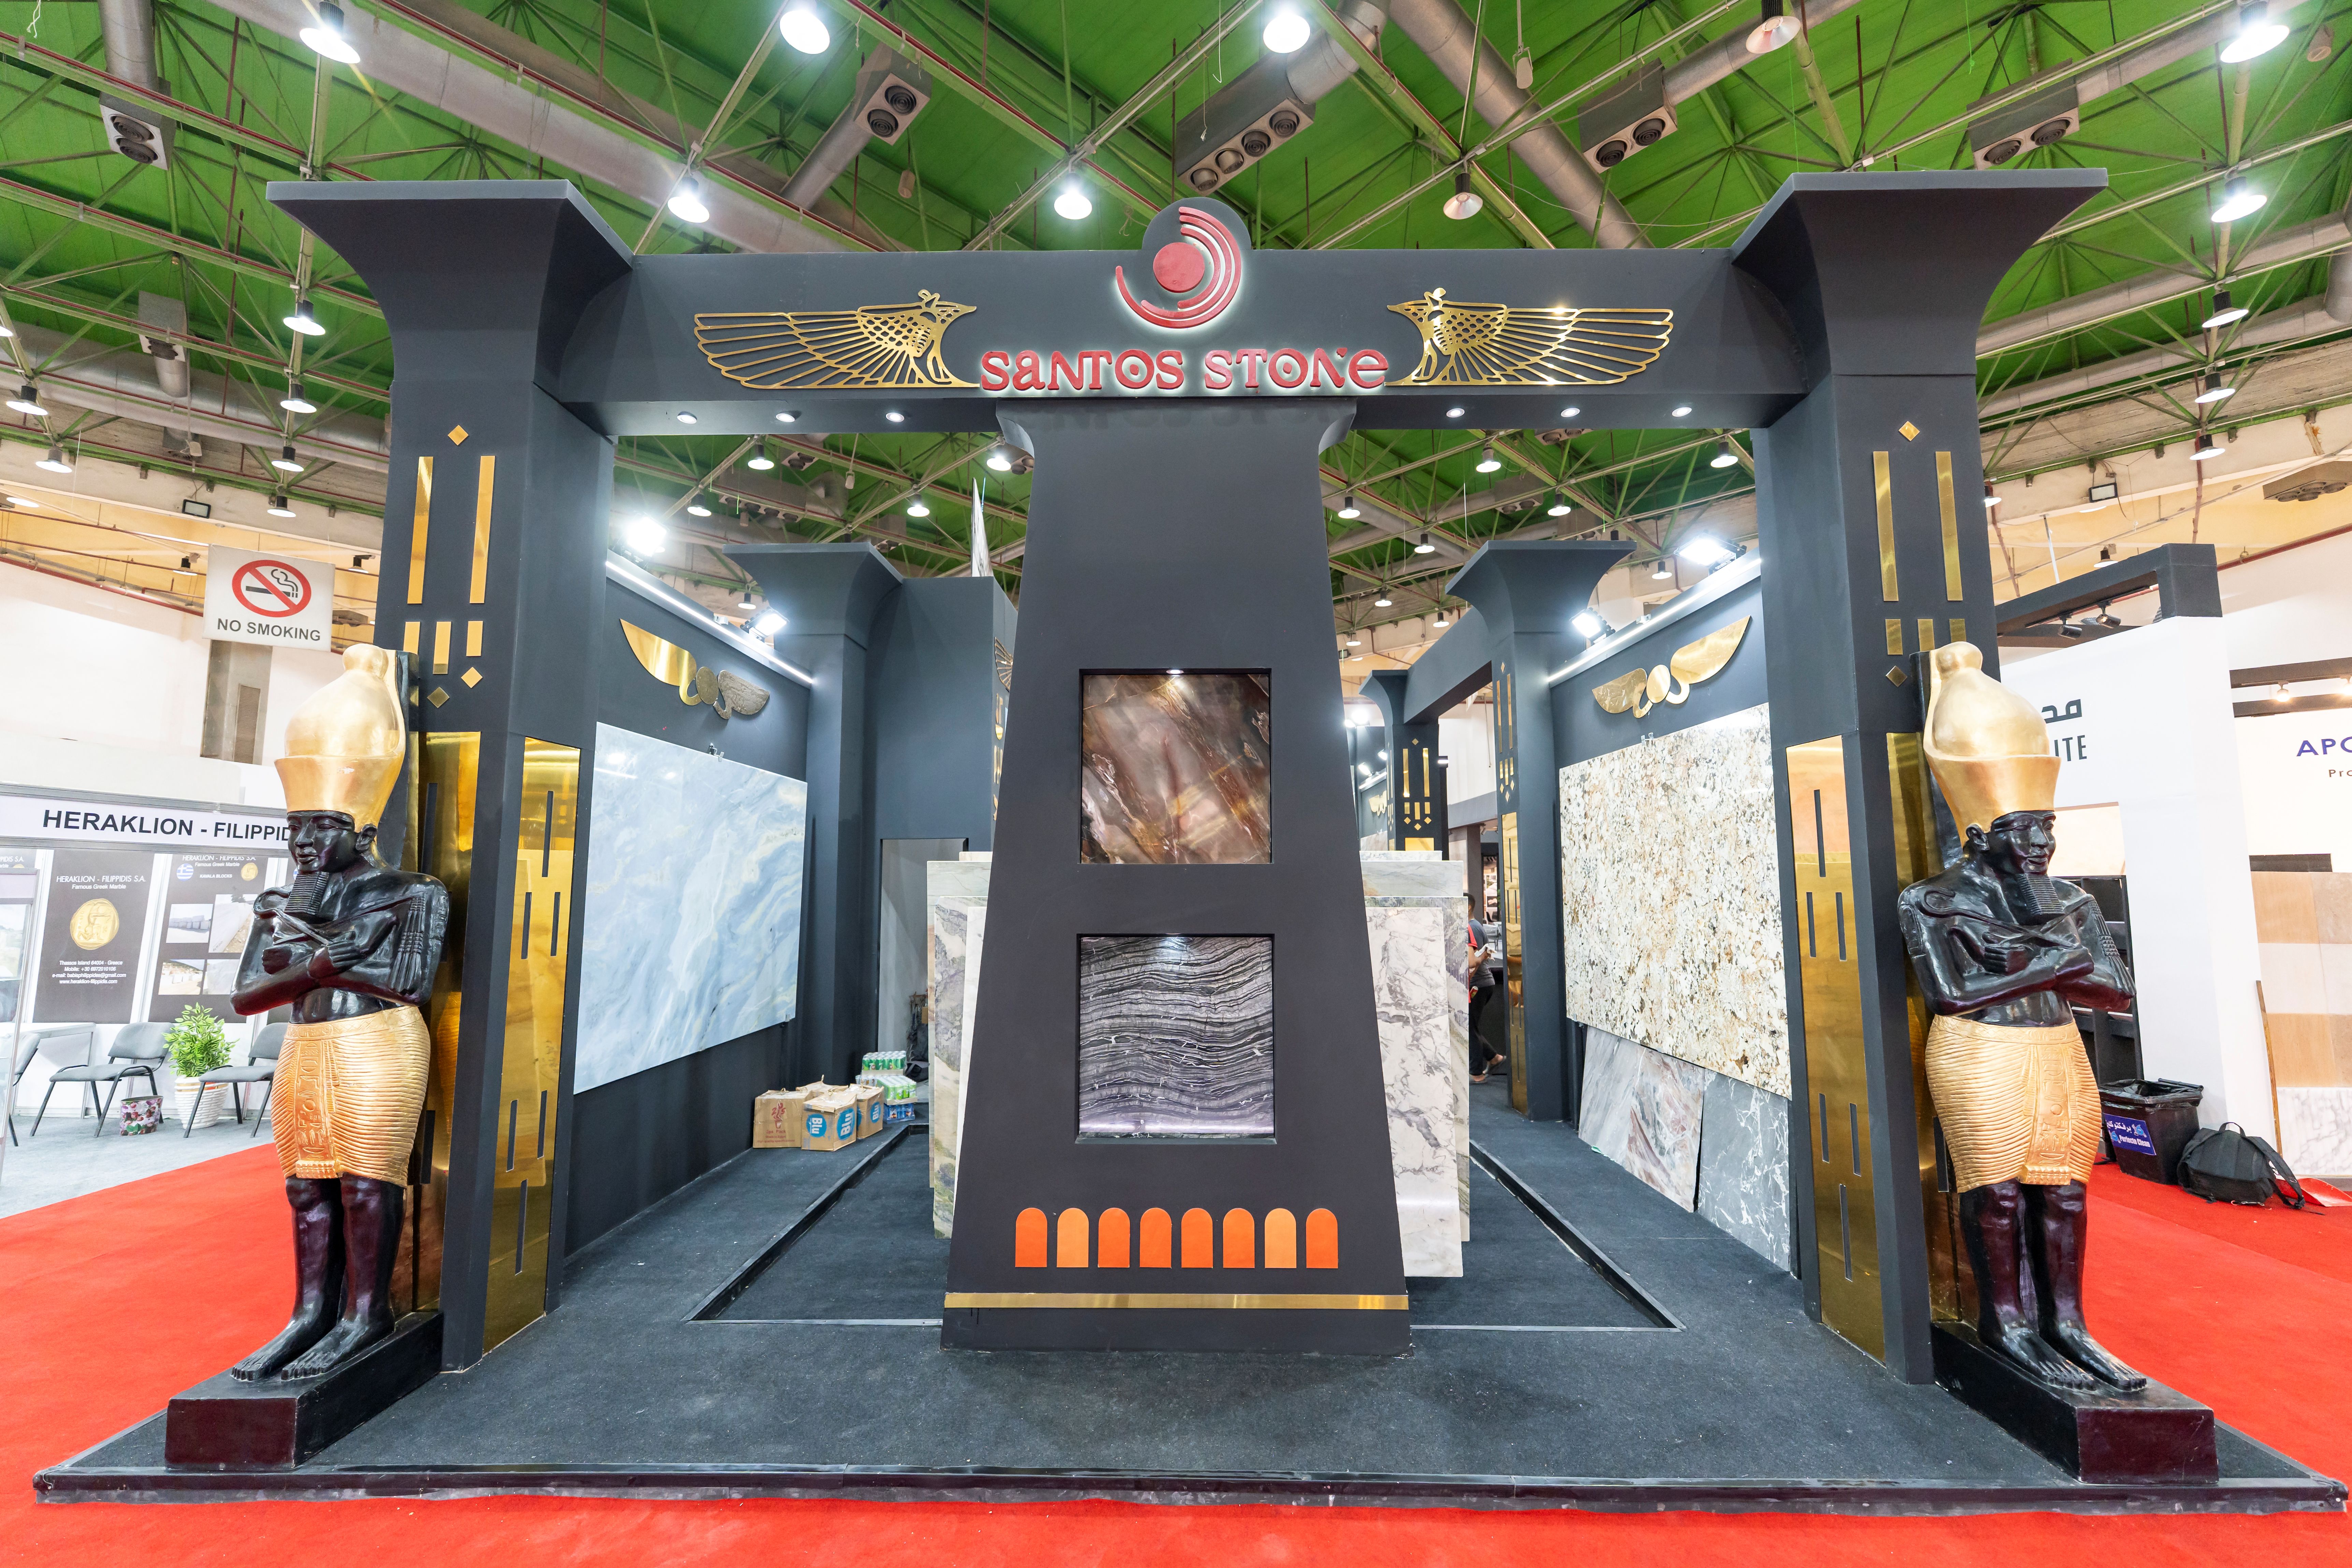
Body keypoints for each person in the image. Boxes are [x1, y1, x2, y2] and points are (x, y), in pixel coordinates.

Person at [1896, 642, 2143, 1394]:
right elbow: (1951, 995)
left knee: (2065, 1188)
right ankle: (2003, 1321)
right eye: (2021, 829)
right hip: (1979, 1050)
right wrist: (2053, 962)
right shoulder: (1934, 899)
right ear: (1980, 834)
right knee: (1999, 1188)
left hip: (2057, 1047)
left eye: (2046, 827)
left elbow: (2116, 992)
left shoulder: (2070, 900)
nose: (2039, 844)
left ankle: (2067, 1324)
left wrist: (2027, 960)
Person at [230, 646, 449, 1382]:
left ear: (361, 830)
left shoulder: (413, 891)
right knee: (305, 1185)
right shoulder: (284, 902)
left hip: (377, 1041)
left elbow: (408, 984)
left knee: (362, 1181)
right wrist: (326, 962)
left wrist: (312, 961)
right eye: (296, 826)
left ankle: (365, 1313)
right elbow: (246, 996)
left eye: (321, 825)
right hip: (307, 1041)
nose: (303, 842)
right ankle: (308, 1314)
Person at [1468, 911, 1504, 1081]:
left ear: (1468, 907)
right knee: (1471, 1027)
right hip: (1480, 984)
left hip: (1478, 984)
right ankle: (1494, 1058)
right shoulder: (1474, 927)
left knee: (1470, 1028)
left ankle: (1477, 1073)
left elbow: (1474, 961)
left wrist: (1469, 980)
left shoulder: (1471, 928)